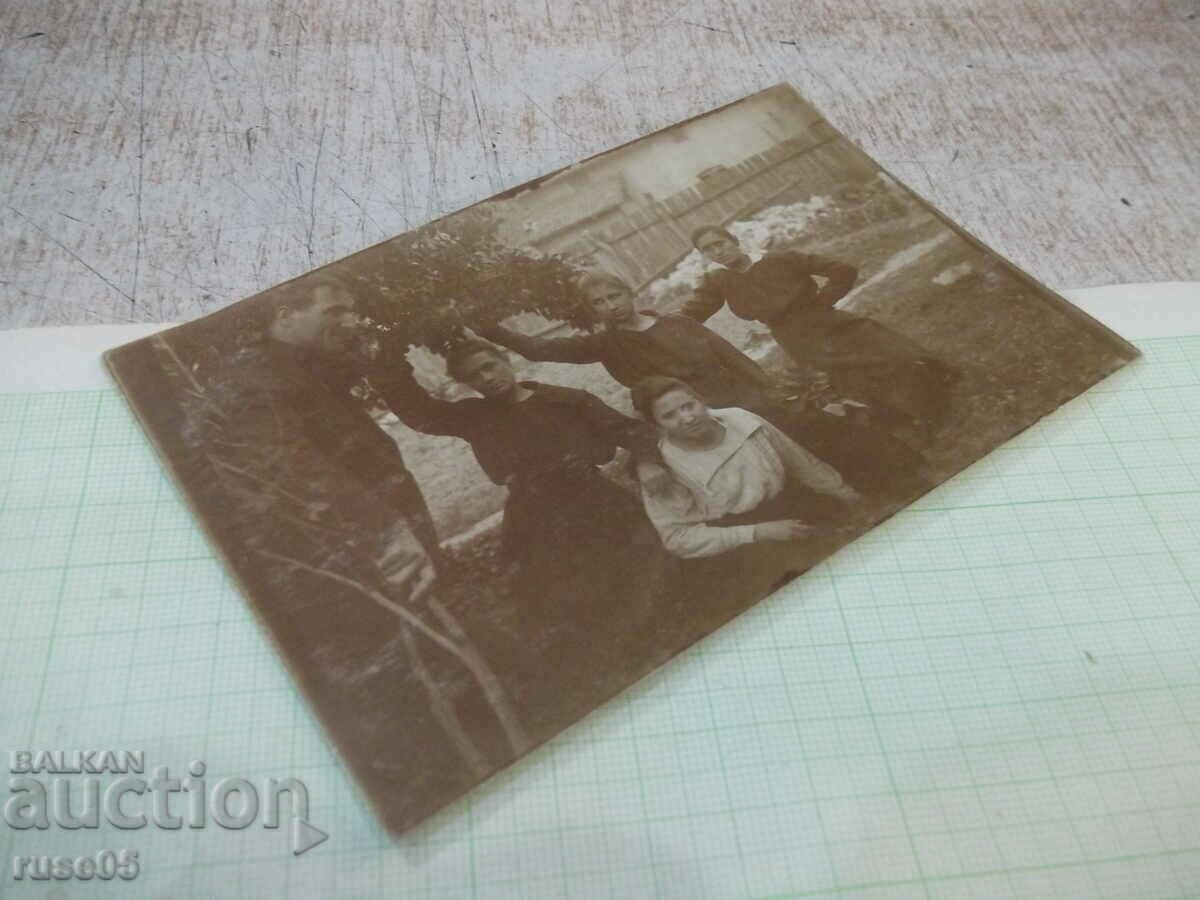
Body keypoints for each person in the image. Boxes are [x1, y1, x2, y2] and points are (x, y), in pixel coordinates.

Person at [367, 337, 678, 733]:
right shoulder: (475, 416)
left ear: (505, 359)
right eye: (474, 377)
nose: (487, 379)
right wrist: (387, 360)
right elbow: (419, 414)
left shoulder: (565, 400)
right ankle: (600, 667)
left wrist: (649, 465)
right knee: (546, 597)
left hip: (591, 498)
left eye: (489, 366)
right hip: (532, 513)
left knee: (642, 568)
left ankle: (659, 638)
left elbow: (633, 431)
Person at [683, 225, 960, 443]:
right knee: (845, 383)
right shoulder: (718, 281)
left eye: (720, 243)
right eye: (708, 250)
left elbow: (843, 270)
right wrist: (655, 323)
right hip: (796, 341)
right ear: (705, 256)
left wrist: (823, 302)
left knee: (888, 357)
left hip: (829, 323)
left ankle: (933, 408)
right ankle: (900, 423)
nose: (717, 251)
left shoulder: (780, 259)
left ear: (734, 240)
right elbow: (692, 312)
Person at [631, 376, 862, 633]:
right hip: (738, 539)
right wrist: (758, 532)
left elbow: (798, 460)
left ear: (701, 399)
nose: (687, 418)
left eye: (689, 405)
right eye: (670, 416)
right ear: (656, 425)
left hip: (790, 503)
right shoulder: (663, 469)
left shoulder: (740, 419)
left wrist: (844, 493)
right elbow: (677, 537)